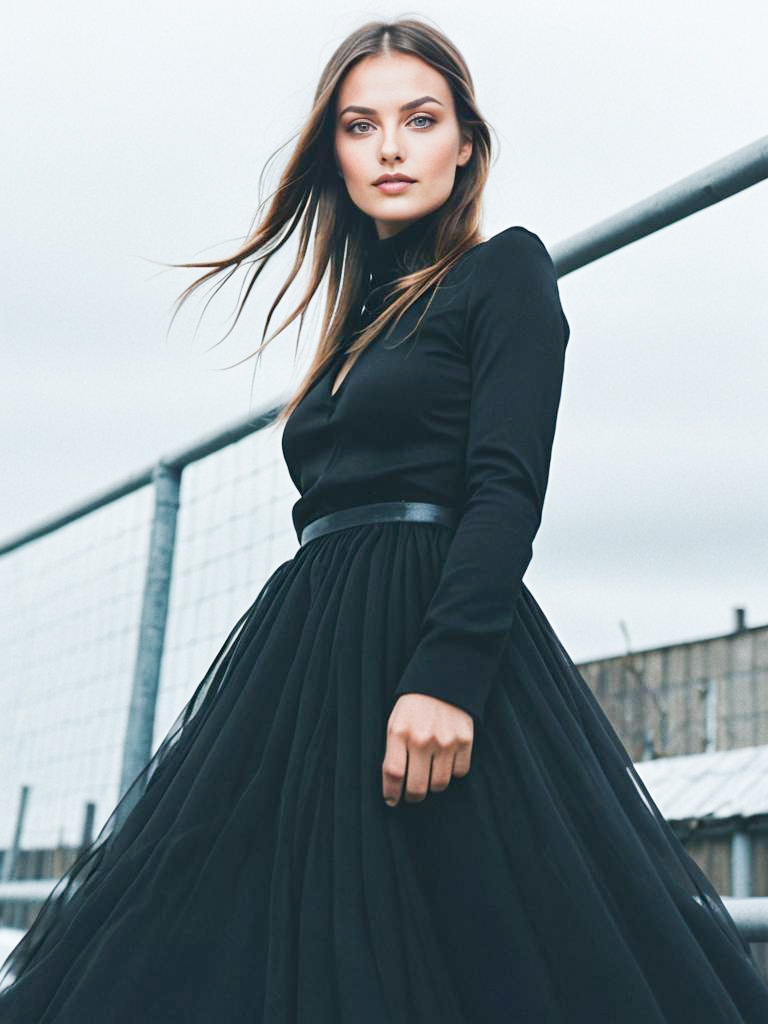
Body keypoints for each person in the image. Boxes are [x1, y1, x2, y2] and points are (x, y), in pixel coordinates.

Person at [2, 16, 768, 1024]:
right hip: (307, 654)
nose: (393, 146)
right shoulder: (357, 318)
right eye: (362, 126)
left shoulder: (507, 273)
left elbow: (505, 485)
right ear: (337, 153)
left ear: (466, 143)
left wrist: (446, 673)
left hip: (426, 635)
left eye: (420, 118)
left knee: (480, 942)